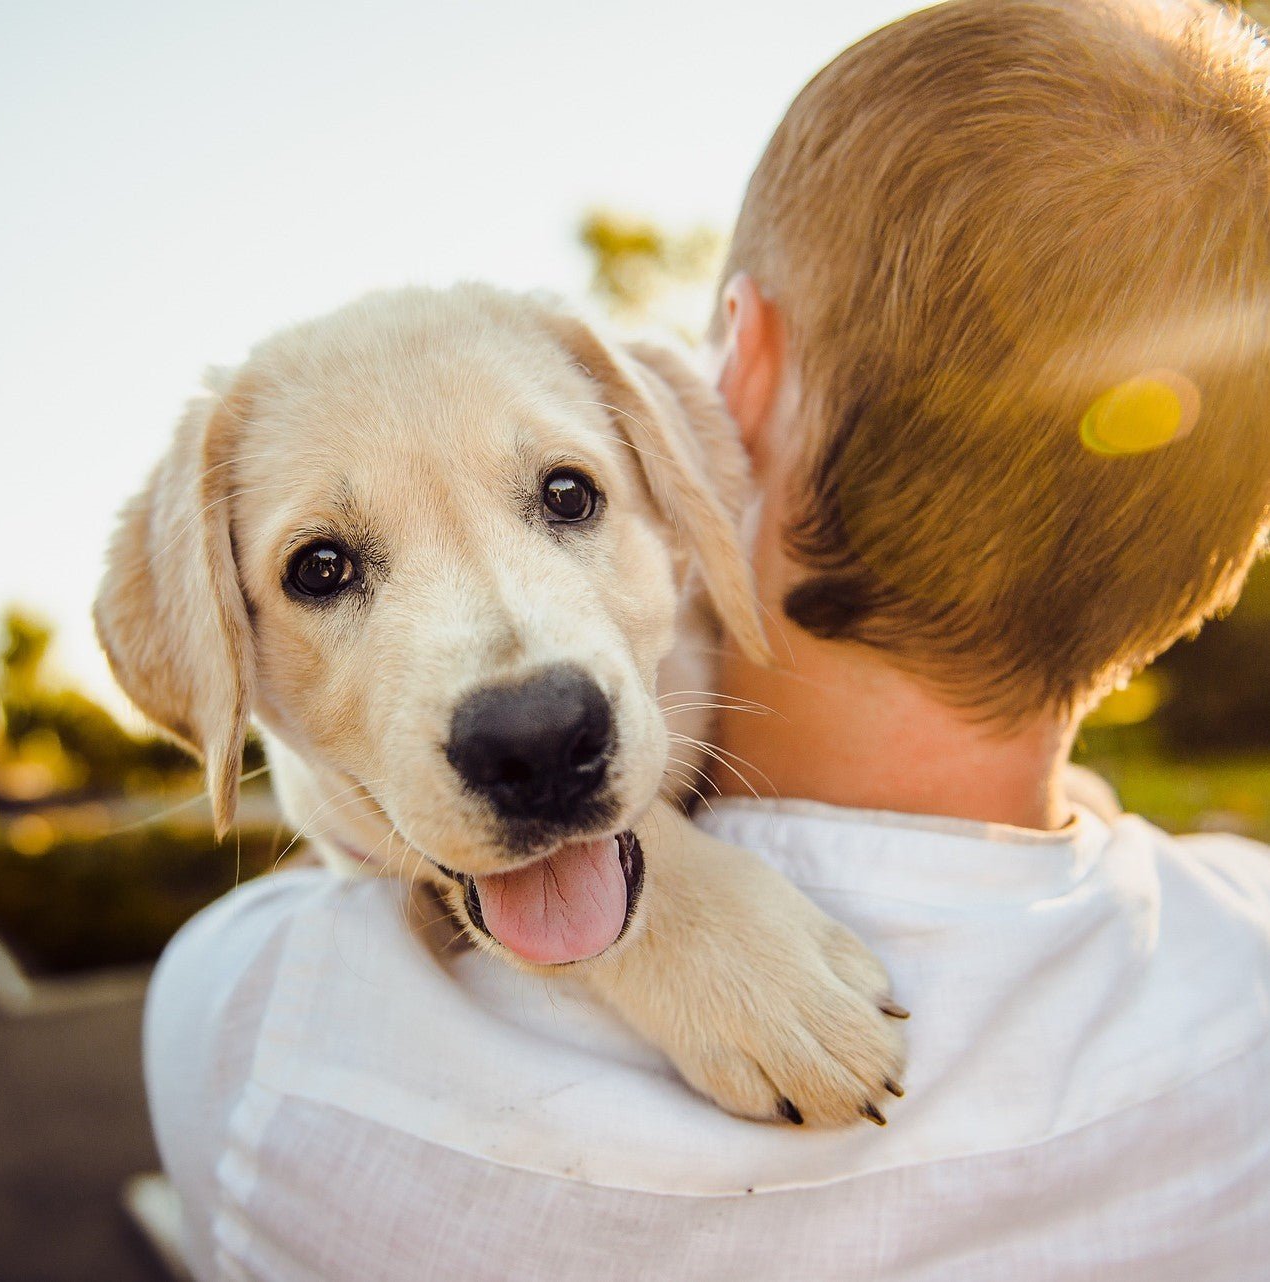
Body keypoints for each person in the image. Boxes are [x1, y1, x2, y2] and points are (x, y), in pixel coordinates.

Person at [144, 1, 1270, 1277]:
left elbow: (323, 853)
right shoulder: (1243, 969)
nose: (513, 693)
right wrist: (656, 890)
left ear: (730, 377)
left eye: (565, 498)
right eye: (327, 567)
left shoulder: (256, 1028)